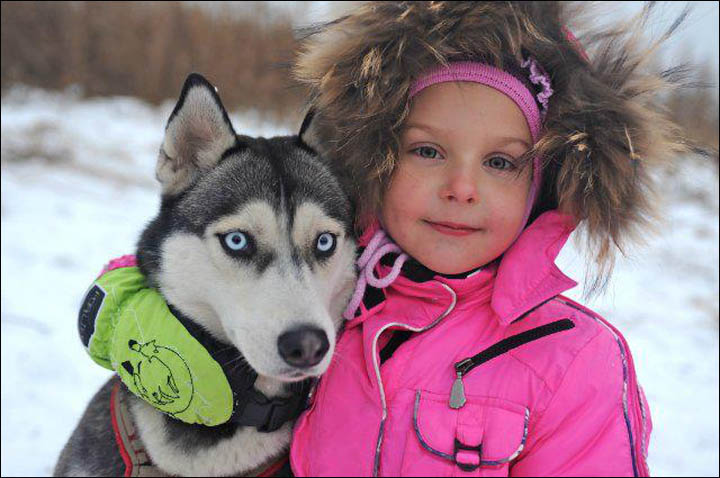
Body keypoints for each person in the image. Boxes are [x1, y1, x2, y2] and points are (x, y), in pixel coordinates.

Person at [81, 2, 691, 476]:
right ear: (376, 163)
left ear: (546, 183)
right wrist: (126, 308)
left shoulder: (574, 363)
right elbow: (175, 253)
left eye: (502, 163)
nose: (461, 187)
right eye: (427, 151)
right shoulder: (349, 300)